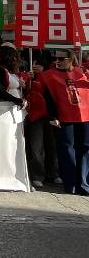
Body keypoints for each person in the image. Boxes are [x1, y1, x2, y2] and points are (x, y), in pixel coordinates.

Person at [36, 49, 89, 195]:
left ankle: (84, 183)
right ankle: (70, 184)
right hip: (64, 118)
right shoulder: (49, 76)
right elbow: (47, 98)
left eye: (61, 59)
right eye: (55, 59)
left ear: (71, 59)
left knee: (85, 149)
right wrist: (52, 116)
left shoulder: (84, 73)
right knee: (67, 151)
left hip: (85, 117)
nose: (57, 61)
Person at [25, 61, 60, 188]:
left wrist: (55, 116)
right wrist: (27, 81)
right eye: (33, 63)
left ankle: (53, 173)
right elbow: (24, 93)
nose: (35, 66)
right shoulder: (26, 76)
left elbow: (54, 96)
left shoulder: (49, 77)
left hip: (49, 115)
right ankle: (37, 175)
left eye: (38, 64)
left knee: (52, 146)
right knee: (36, 147)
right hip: (33, 116)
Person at [0, 44, 27, 109]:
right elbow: (0, 91)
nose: (15, 59)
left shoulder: (8, 71)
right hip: (3, 109)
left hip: (13, 108)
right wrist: (17, 100)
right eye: (14, 56)